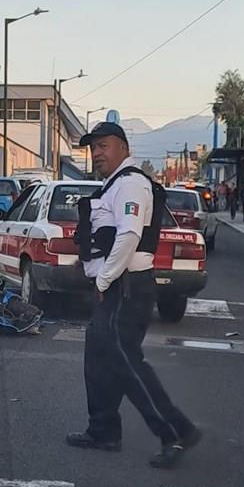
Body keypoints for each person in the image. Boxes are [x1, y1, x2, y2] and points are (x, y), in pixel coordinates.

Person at [67, 122, 201, 469]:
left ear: (124, 148)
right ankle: (103, 430)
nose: (97, 153)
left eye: (104, 146)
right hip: (116, 286)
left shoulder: (130, 185)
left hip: (125, 287)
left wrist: (104, 281)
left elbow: (128, 237)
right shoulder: (112, 187)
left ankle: (176, 431)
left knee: (127, 365)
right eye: (93, 147)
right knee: (98, 361)